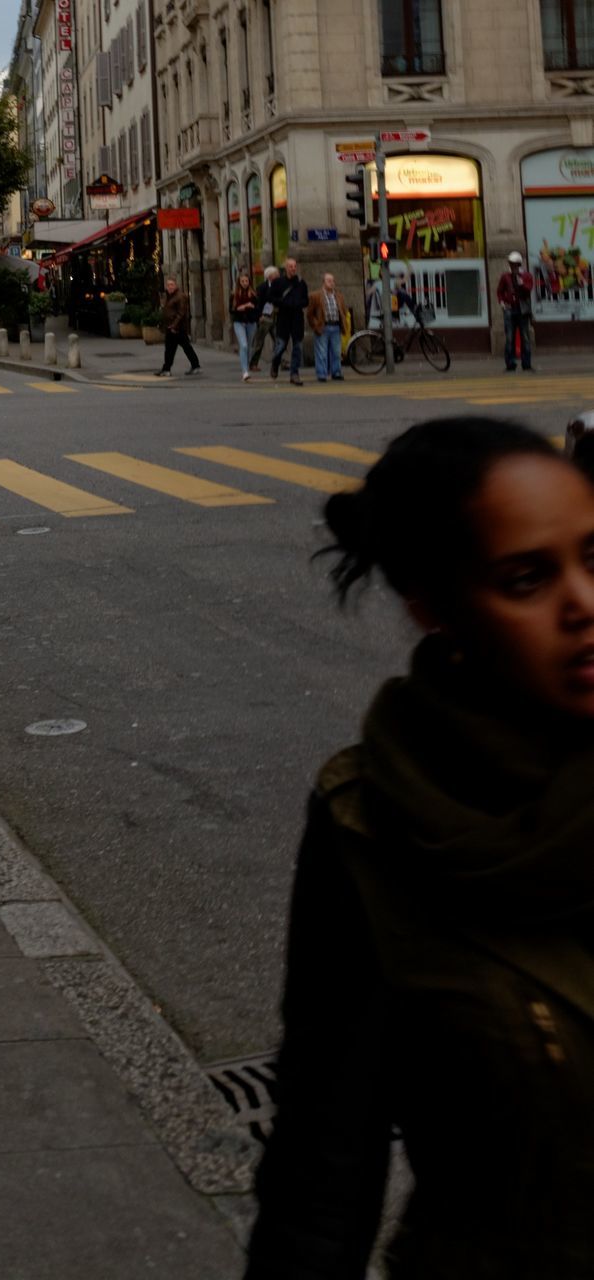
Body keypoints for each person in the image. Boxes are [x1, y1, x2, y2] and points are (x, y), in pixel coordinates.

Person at [246, 415, 594, 1280]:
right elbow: (324, 1169)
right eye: (526, 579)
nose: (583, 604)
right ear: (434, 609)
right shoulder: (371, 827)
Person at [269, 256, 308, 386]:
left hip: (297, 318)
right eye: (290, 266)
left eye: (294, 266)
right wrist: (284, 303)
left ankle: (294, 373)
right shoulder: (278, 283)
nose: (293, 269)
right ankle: (275, 362)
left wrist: (298, 303)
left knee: (297, 347)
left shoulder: (301, 283)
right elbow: (272, 298)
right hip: (284, 318)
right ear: (286, 268)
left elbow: (306, 300)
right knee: (280, 346)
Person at [496, 250, 535, 372]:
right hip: (510, 309)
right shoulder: (505, 276)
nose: (513, 267)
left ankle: (526, 363)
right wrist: (502, 302)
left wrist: (522, 284)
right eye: (511, 264)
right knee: (509, 337)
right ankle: (510, 363)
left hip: (522, 310)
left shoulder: (527, 276)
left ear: (519, 264)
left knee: (525, 337)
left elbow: (528, 290)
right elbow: (500, 291)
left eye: (515, 264)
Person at [306, 272, 348, 382]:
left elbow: (343, 310)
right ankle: (322, 374)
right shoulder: (316, 296)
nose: (331, 283)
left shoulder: (338, 296)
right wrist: (315, 325)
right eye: (329, 281)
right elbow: (310, 313)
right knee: (321, 352)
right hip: (323, 326)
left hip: (335, 326)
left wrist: (343, 322)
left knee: (336, 352)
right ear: (323, 282)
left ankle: (336, 372)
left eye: (333, 281)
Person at [155, 276, 201, 377]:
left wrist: (174, 326)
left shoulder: (180, 296)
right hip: (171, 327)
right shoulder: (169, 296)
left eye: (172, 285)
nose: (170, 287)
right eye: (168, 285)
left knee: (183, 347)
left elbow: (181, 313)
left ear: (176, 286)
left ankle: (168, 369)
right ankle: (167, 368)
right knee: (172, 349)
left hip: (177, 328)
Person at [249, 266, 280, 371]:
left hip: (276, 316)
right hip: (265, 317)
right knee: (259, 342)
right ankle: (253, 363)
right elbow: (257, 303)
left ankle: (282, 362)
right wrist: (259, 316)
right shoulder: (262, 287)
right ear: (270, 276)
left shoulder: (279, 286)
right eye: (276, 274)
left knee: (279, 340)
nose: (278, 276)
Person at [230, 270, 259, 381]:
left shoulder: (253, 294)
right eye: (242, 281)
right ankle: (245, 371)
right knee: (244, 345)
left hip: (251, 323)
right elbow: (231, 310)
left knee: (249, 346)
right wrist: (240, 308)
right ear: (239, 282)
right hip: (239, 322)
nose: (245, 283)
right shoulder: (234, 295)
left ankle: (246, 365)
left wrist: (252, 308)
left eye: (246, 281)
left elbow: (258, 308)